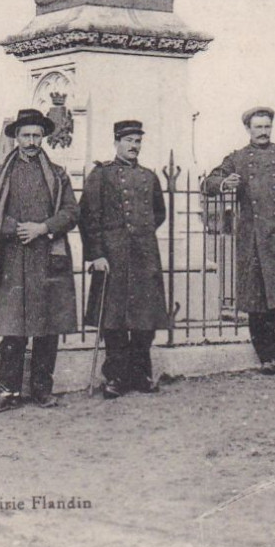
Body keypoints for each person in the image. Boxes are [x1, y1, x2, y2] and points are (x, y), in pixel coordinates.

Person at [0, 109, 78, 414]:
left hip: (48, 257)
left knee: (47, 326)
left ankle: (42, 390)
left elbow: (72, 212)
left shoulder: (58, 174)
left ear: (43, 137)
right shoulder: (1, 174)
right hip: (15, 257)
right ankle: (8, 392)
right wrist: (17, 228)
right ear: (16, 138)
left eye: (36, 135)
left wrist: (43, 228)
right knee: (13, 327)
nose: (32, 142)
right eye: (26, 135)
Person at [203, 107, 275, 374]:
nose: (263, 132)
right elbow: (209, 182)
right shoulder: (237, 158)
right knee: (255, 300)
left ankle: (268, 332)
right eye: (258, 127)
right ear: (248, 129)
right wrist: (225, 182)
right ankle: (267, 355)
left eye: (267, 127)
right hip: (251, 237)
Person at [79, 120, 168, 398]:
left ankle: (140, 375)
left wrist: (139, 236)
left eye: (138, 141)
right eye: (128, 141)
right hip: (112, 258)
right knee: (113, 321)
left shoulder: (149, 177)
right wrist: (96, 254)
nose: (134, 146)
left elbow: (159, 213)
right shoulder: (101, 175)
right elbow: (88, 217)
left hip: (143, 256)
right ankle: (115, 377)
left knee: (144, 321)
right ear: (117, 142)